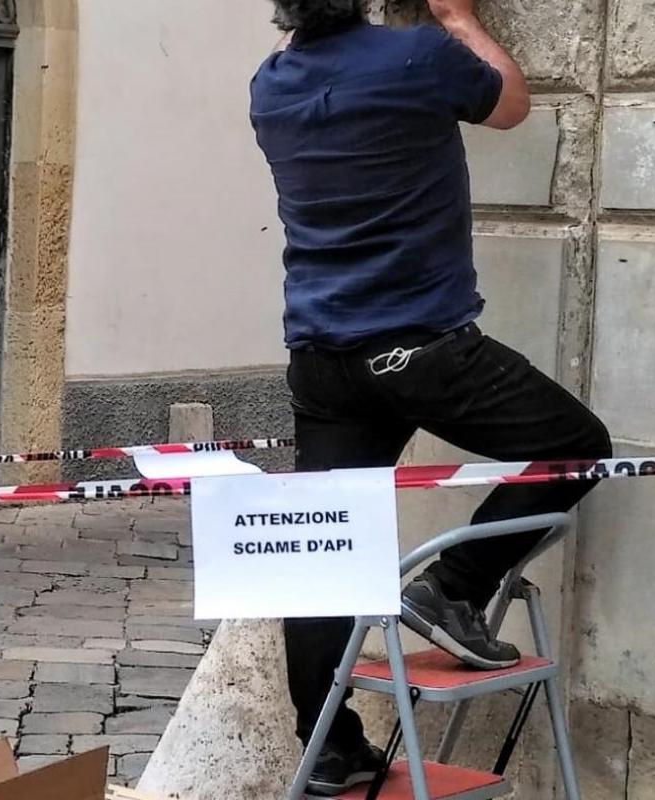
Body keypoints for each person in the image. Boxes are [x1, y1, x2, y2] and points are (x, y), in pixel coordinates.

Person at [250, 0, 611, 795]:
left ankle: (331, 750)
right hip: (422, 348)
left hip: (319, 355)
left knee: (325, 550)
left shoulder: (269, 86)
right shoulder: (416, 57)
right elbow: (511, 104)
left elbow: (312, 55)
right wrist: (459, 18)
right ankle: (451, 588)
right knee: (580, 446)